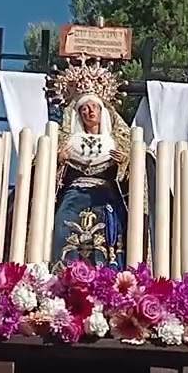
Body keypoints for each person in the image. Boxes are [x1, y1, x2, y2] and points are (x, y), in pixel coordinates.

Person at [50, 93, 131, 268]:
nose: (90, 111)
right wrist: (58, 160)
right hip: (73, 196)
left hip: (104, 198)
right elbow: (44, 179)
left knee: (109, 234)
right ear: (78, 115)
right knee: (62, 226)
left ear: (102, 112)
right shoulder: (66, 143)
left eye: (94, 107)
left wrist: (125, 163)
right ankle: (64, 272)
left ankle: (106, 274)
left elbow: (135, 184)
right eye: (84, 108)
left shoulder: (117, 143)